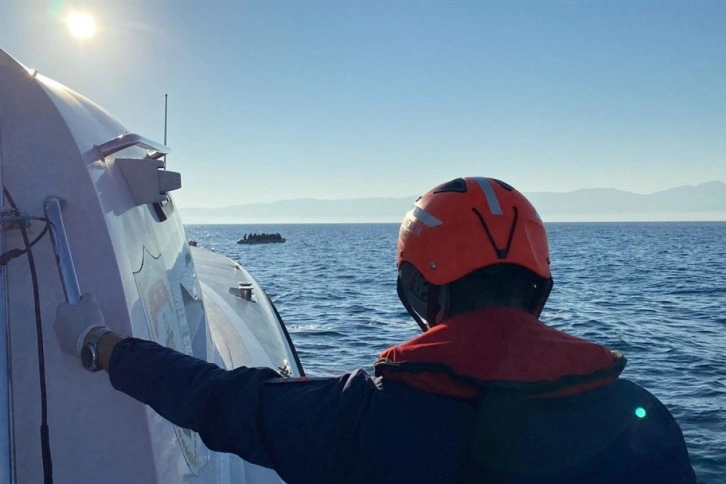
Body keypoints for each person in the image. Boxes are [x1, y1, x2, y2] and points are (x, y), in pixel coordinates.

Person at [55, 176, 696, 483]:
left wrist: (104, 346)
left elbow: (214, 399)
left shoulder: (360, 419)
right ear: (539, 285)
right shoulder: (646, 418)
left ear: (420, 288)